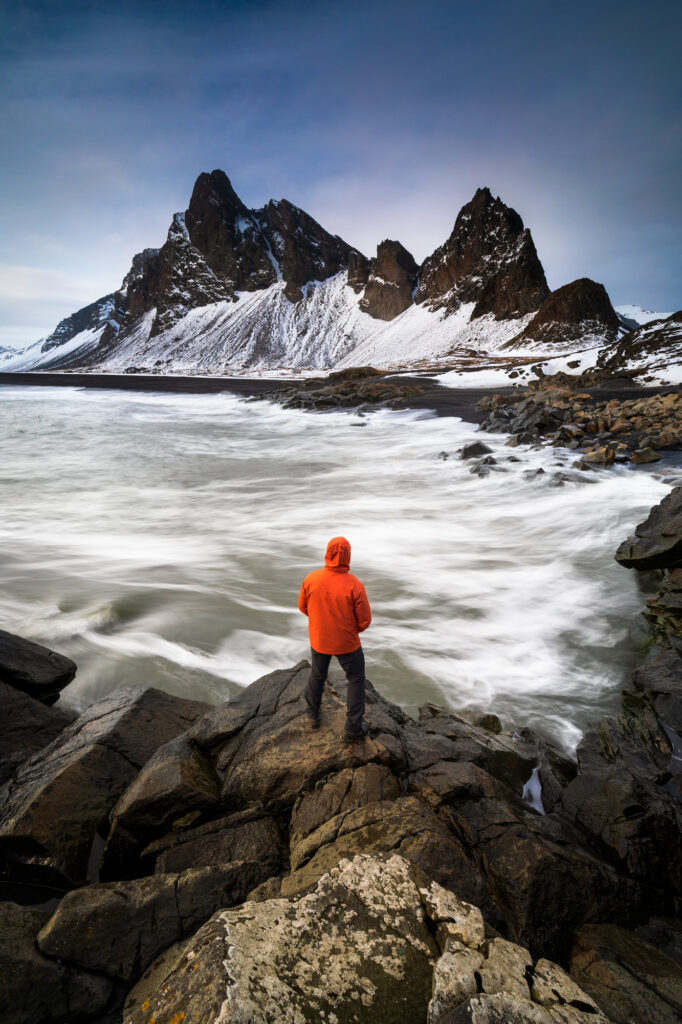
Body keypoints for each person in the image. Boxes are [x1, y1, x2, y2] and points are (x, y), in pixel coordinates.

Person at [298, 536, 371, 742]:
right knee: (355, 678)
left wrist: (322, 622)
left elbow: (303, 607)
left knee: (318, 674)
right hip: (346, 643)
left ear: (327, 554)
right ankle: (353, 727)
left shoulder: (311, 579)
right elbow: (364, 621)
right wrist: (347, 628)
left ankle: (312, 714)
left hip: (320, 638)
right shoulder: (354, 586)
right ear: (348, 556)